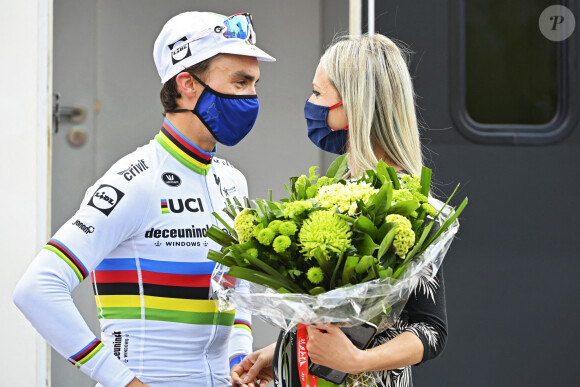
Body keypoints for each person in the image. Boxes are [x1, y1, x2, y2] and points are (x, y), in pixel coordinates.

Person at [13, 11, 275, 387]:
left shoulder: (232, 181)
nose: (251, 96)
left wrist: (239, 361)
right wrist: (122, 381)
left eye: (254, 84)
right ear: (187, 84)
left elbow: (233, 285)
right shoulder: (136, 180)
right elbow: (37, 289)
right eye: (240, 82)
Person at [231, 34, 446, 387]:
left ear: (355, 105)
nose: (310, 104)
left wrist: (359, 360)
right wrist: (284, 348)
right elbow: (343, 323)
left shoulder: (409, 204)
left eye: (318, 93)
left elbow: (431, 330)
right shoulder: (336, 188)